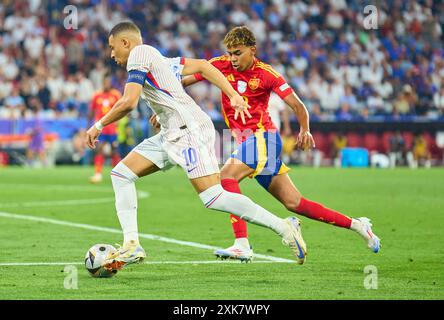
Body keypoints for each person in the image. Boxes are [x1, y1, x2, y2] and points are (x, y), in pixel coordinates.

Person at [85, 22, 307, 271]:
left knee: (213, 196)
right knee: (121, 174)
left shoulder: (139, 54)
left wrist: (98, 125)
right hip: (171, 133)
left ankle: (283, 226)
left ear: (126, 43)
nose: (112, 54)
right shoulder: (156, 58)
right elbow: (202, 66)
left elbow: (128, 102)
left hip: (189, 132)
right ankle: (132, 244)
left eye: (113, 48)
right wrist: (230, 94)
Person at [182, 26, 380, 261]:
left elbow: (298, 106)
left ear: (252, 50)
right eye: (230, 53)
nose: (233, 59)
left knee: (226, 177)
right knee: (295, 203)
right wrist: (167, 105)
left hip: (264, 138)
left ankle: (242, 244)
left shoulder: (267, 74)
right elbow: (184, 81)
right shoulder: (219, 65)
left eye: (238, 53)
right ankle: (358, 226)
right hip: (248, 141)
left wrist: (305, 129)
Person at [88, 76, 122, 183]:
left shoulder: (115, 94)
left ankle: (119, 174)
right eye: (105, 82)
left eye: (108, 82)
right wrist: (89, 126)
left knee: (114, 151)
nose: (106, 84)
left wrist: (119, 122)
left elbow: (122, 108)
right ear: (103, 83)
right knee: (99, 150)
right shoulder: (97, 95)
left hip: (112, 129)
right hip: (100, 129)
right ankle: (98, 174)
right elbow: (91, 112)